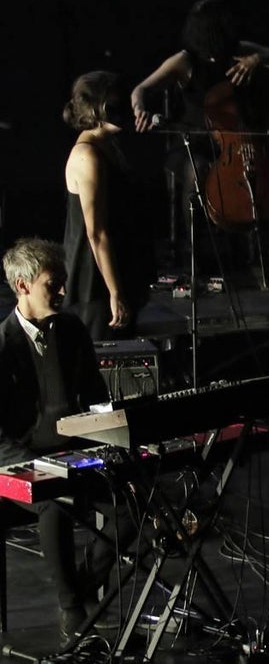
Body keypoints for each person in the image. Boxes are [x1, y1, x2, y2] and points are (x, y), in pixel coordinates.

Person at [0, 237, 134, 646]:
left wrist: (113, 441)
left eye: (62, 282)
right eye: (52, 284)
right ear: (22, 286)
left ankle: (83, 585)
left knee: (133, 504)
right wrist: (36, 465)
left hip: (70, 453)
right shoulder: (2, 344)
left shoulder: (72, 329)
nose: (62, 291)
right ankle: (72, 607)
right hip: (18, 459)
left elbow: (94, 399)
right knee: (54, 503)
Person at [131, 0, 269, 283]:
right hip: (196, 142)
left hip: (243, 140)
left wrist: (258, 59)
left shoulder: (241, 51)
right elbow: (141, 89)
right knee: (195, 172)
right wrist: (140, 109)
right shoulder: (185, 60)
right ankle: (192, 255)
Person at [62, 70, 153, 341]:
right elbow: (96, 232)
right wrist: (115, 292)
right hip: (96, 283)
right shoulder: (86, 155)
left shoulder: (108, 146)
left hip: (118, 270)